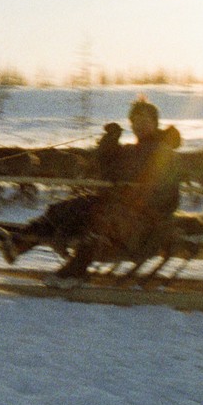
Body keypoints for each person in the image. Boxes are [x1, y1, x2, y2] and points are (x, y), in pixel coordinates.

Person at [51, 96, 184, 284]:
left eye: (145, 121)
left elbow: (165, 195)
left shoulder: (164, 152)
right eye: (136, 121)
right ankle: (22, 243)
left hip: (151, 223)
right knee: (75, 207)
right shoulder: (134, 150)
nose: (140, 125)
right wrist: (109, 142)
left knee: (102, 220)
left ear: (155, 123)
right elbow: (107, 170)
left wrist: (131, 199)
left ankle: (75, 271)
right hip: (129, 214)